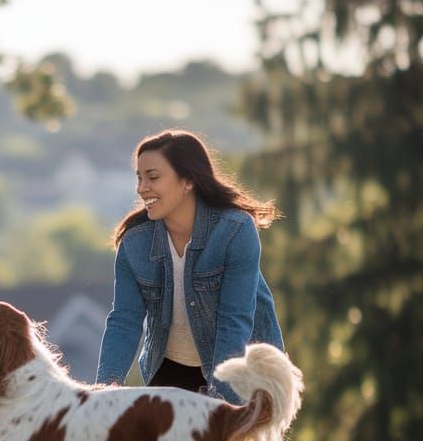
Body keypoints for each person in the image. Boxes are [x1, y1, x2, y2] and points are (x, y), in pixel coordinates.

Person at [95, 129, 285, 404]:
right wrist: (105, 392)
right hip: (170, 372)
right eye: (139, 177)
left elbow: (234, 323)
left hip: (243, 371)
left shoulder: (234, 230)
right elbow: (125, 321)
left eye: (153, 177)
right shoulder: (134, 243)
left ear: (187, 181)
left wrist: (219, 401)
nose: (141, 188)